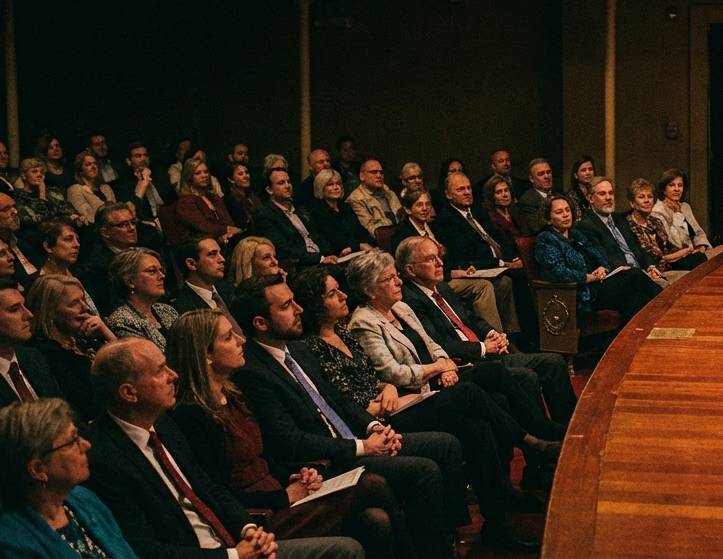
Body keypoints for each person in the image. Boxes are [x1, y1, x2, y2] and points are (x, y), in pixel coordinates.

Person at [294, 266, 543, 551]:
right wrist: (387, 398)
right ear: (315, 305)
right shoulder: (314, 347)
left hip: (396, 400)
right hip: (378, 420)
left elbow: (375, 376)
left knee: (478, 425)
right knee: (471, 392)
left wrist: (386, 387)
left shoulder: (342, 332)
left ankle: (496, 524)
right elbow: (342, 400)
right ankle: (530, 442)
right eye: (331, 293)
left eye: (339, 289)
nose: (341, 296)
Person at [228, 274, 470, 558]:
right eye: (286, 306)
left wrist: (373, 427)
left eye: (295, 301)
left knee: (445, 443)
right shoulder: (252, 372)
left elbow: (337, 400)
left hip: (352, 441)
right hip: (322, 462)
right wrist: (363, 446)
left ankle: (444, 539)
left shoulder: (297, 349)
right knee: (422, 472)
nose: (299, 310)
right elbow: (290, 441)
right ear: (260, 323)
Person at [83, 338, 364, 559]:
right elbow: (148, 551)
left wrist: (248, 530)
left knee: (364, 526)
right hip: (210, 554)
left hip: (236, 539)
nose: (173, 375)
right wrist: (234, 555)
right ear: (129, 393)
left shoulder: (163, 425)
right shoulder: (103, 458)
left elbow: (210, 488)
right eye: (159, 371)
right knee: (348, 547)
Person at [167, 310, 414, 558]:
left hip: (283, 495)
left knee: (375, 520)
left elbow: (266, 458)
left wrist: (296, 477)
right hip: (261, 517)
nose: (241, 340)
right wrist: (283, 496)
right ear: (206, 355)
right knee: (373, 484)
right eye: (228, 338)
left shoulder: (233, 396)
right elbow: (217, 493)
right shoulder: (192, 416)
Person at [397, 236, 576, 426]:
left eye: (438, 256)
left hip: (484, 354)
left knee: (554, 361)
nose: (440, 263)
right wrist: (483, 347)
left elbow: (470, 319)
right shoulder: (410, 300)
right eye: (430, 259)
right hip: (466, 364)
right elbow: (438, 343)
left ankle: (571, 426)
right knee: (527, 377)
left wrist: (491, 332)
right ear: (410, 269)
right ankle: (544, 439)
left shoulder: (441, 287)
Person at [0, 398, 138, 559]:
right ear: (38, 469)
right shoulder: (5, 548)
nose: (86, 444)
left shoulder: (84, 499)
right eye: (73, 440)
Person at [0, 278, 66, 474]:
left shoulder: (32, 357)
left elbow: (64, 409)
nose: (29, 315)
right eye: (14, 309)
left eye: (24, 306)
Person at [393, 189, 517, 334]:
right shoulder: (402, 233)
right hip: (432, 281)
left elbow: (451, 257)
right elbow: (409, 271)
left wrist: (464, 269)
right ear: (408, 209)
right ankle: (494, 336)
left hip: (448, 273)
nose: (425, 208)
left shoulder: (434, 227)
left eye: (427, 204)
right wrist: (453, 274)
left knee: (504, 282)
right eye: (419, 205)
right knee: (483, 286)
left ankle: (511, 336)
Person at [532, 195, 660, 324]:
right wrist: (588, 277)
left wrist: (602, 268)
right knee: (634, 274)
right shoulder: (546, 239)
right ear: (548, 219)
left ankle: (648, 337)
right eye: (559, 212)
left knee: (638, 299)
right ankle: (670, 306)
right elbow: (558, 273)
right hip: (580, 294)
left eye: (567, 210)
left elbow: (599, 257)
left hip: (599, 285)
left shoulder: (576, 234)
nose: (566, 215)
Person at [27, 275, 113, 421]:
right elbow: (91, 405)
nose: (85, 308)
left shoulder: (86, 340)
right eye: (74, 303)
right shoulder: (47, 354)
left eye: (83, 300)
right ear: (50, 313)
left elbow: (135, 373)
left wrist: (108, 335)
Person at [577, 176, 669, 287]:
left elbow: (638, 248)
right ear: (590, 198)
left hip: (641, 273)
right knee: (665, 288)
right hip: (620, 279)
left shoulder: (620, 218)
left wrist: (650, 267)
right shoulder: (587, 226)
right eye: (602, 194)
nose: (608, 198)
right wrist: (639, 273)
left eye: (610, 193)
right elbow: (604, 258)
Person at [256, 167, 339, 267]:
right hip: (302, 265)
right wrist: (320, 259)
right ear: (269, 190)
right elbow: (282, 249)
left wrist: (332, 254)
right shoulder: (266, 215)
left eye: (288, 182)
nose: (287, 186)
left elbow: (316, 235)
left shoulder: (299, 208)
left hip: (321, 258)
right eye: (281, 183)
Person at [103, 248, 179, 351]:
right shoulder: (123, 320)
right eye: (152, 271)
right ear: (130, 281)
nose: (162, 276)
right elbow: (149, 360)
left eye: (161, 270)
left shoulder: (167, 310)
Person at [626, 177, 707, 273]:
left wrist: (688, 251)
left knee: (704, 259)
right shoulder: (629, 225)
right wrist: (683, 252)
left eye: (650, 197)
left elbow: (669, 247)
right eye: (641, 197)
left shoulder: (655, 221)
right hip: (655, 269)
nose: (647, 200)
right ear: (632, 203)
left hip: (672, 264)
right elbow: (655, 257)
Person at [171, 234, 239, 331]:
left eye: (220, 253)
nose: (222, 259)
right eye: (212, 254)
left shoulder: (228, 288)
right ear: (192, 264)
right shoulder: (184, 311)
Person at [652, 168, 723, 257]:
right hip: (678, 256)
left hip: (694, 252)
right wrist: (678, 215)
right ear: (664, 189)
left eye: (680, 185)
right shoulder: (658, 210)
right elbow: (672, 240)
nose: (677, 189)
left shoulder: (685, 207)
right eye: (672, 185)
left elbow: (698, 232)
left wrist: (701, 246)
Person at [82, 203, 139, 314]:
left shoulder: (143, 251)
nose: (132, 228)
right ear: (105, 233)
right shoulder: (100, 266)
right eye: (122, 225)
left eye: (133, 222)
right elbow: (111, 306)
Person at [36, 219, 100, 317]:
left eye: (77, 239)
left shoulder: (79, 275)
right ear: (48, 246)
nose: (77, 244)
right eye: (68, 239)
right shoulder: (38, 284)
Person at [174, 157, 240, 244]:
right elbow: (202, 227)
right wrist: (225, 230)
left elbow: (228, 221)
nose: (204, 175)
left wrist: (229, 232)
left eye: (206, 172)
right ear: (189, 177)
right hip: (198, 243)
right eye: (198, 173)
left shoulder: (214, 197)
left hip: (225, 239)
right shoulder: (185, 201)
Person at [308, 169, 375, 254]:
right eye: (330, 184)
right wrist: (359, 246)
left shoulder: (346, 207)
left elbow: (362, 232)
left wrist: (369, 245)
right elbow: (335, 243)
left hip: (359, 252)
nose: (336, 187)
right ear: (321, 187)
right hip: (338, 256)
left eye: (338, 184)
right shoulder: (318, 212)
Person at [111, 142, 168, 237]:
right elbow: (129, 209)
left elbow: (168, 199)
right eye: (138, 156)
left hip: (164, 220)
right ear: (129, 161)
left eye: (145, 155)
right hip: (141, 226)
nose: (143, 159)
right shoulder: (122, 184)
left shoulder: (159, 177)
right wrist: (142, 183)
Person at [13, 157, 80, 230]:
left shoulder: (52, 192)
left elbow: (68, 209)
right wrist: (42, 196)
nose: (39, 175)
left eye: (42, 172)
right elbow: (34, 220)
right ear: (24, 176)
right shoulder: (19, 197)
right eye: (34, 171)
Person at [347, 160, 402, 235]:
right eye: (374, 172)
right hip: (377, 242)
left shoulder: (390, 194)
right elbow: (369, 227)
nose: (379, 176)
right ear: (362, 176)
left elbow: (402, 219)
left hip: (401, 237)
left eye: (381, 172)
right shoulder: (355, 199)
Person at [66, 150, 115, 227]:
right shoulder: (75, 190)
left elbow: (115, 212)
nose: (93, 167)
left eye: (95, 164)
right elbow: (88, 216)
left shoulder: (106, 188)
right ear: (80, 169)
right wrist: (104, 206)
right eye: (88, 164)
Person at [483, 174, 530, 246]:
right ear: (492, 196)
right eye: (499, 192)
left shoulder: (516, 212)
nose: (505, 195)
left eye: (506, 190)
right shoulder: (491, 218)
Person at [223, 161, 261, 231]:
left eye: (246, 172)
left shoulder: (252, 196)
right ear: (231, 179)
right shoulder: (230, 200)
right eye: (240, 174)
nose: (246, 176)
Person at [565, 156, 596, 221]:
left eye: (590, 169)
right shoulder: (570, 196)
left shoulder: (598, 192)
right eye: (583, 170)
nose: (588, 173)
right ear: (576, 175)